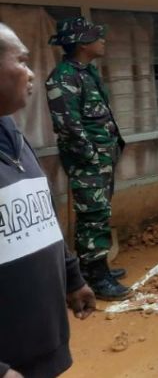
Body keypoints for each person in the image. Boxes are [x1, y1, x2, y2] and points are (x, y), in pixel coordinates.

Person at [0, 23, 95, 377]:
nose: (31, 73)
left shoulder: (12, 134)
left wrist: (72, 277)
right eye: (22, 61)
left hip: (42, 350)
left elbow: (42, 214)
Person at [46, 17, 130, 300]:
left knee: (100, 213)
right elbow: (68, 125)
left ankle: (97, 266)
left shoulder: (87, 72)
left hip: (102, 158)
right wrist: (91, 156)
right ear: (83, 43)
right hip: (88, 162)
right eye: (98, 36)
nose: (103, 40)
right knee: (92, 216)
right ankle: (95, 277)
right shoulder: (63, 77)